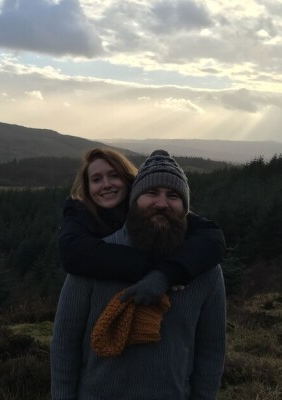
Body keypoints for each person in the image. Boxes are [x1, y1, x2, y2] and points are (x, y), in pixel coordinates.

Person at [51, 149, 226, 399]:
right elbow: (64, 346)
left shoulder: (204, 270)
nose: (162, 203)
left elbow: (211, 352)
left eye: (173, 195)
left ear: (185, 208)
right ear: (134, 201)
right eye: (151, 193)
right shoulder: (91, 262)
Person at [57, 147, 225, 303]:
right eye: (96, 179)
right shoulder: (80, 212)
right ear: (87, 188)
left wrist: (167, 274)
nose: (106, 184)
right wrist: (155, 268)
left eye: (114, 175)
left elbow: (211, 236)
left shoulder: (151, 208)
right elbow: (71, 252)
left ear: (129, 181)